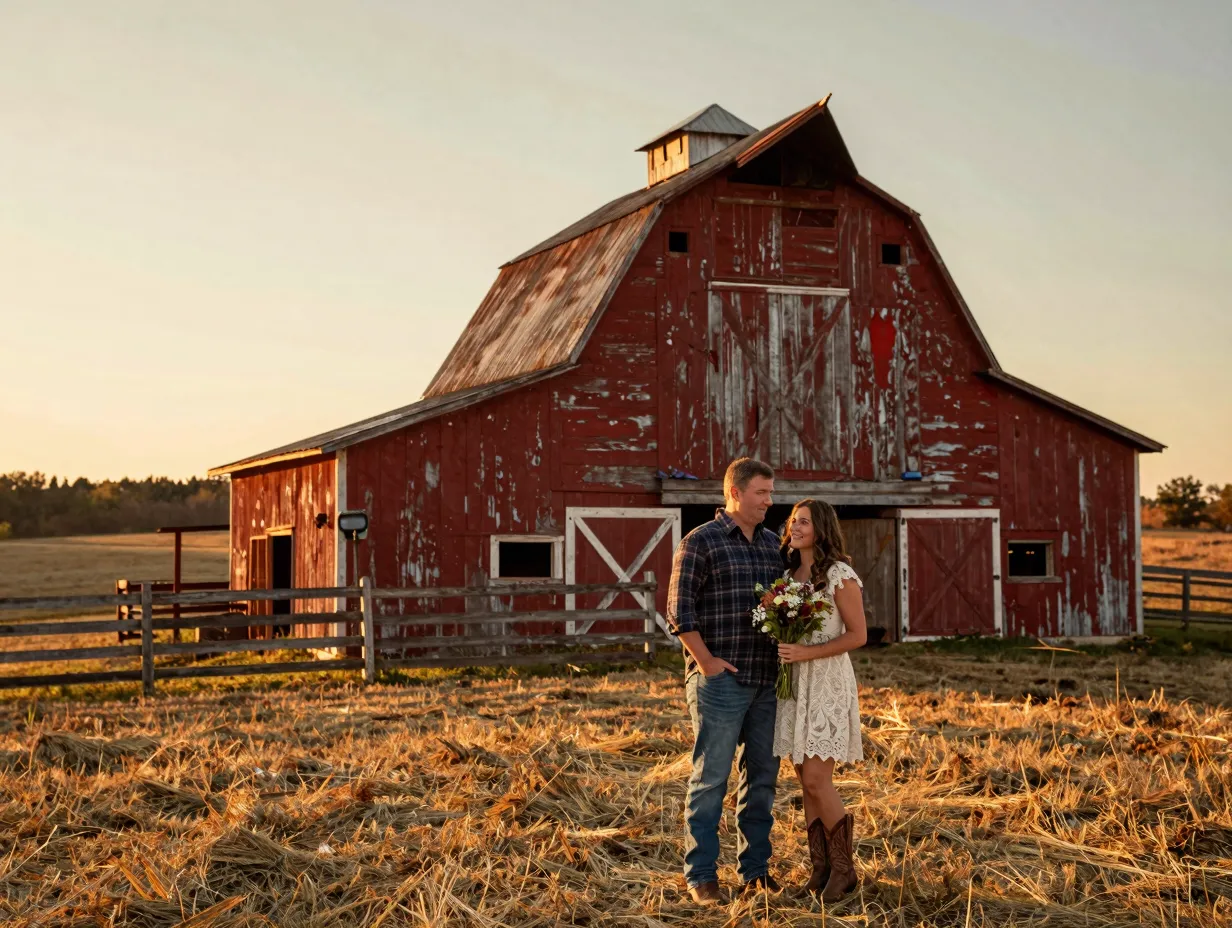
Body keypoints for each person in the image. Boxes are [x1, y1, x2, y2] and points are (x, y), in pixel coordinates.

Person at [666, 457, 785, 905]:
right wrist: (706, 661)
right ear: (735, 493)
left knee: (762, 781)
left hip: (766, 682)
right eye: (762, 493)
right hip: (720, 683)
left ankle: (755, 872)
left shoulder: (773, 545)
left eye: (771, 493)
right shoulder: (702, 541)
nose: (769, 502)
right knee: (711, 779)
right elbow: (679, 610)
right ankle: (701, 876)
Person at [772, 499, 867, 901]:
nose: (795, 527)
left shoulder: (839, 575)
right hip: (796, 685)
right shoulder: (790, 575)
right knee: (804, 783)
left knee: (817, 778)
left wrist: (806, 653)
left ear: (821, 528)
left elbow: (858, 635)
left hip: (827, 681)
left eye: (804, 522)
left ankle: (846, 872)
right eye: (794, 520)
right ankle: (821, 870)